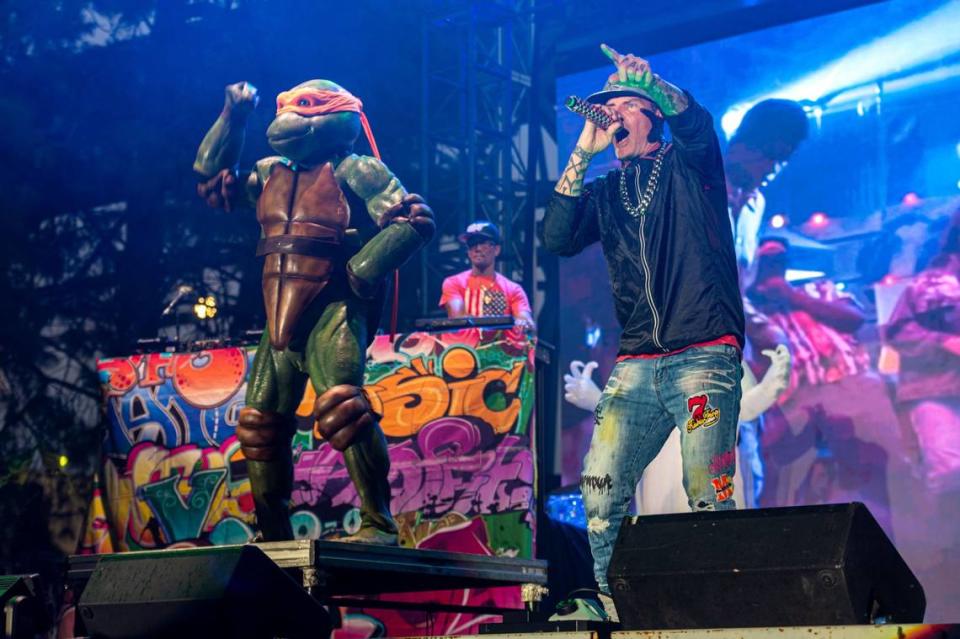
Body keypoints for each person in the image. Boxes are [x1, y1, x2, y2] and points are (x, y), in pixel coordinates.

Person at [543, 44, 745, 618]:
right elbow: (557, 237)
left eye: (625, 105)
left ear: (653, 114)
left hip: (704, 351)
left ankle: (725, 607)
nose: (612, 115)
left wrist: (653, 86)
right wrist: (583, 149)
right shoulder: (608, 191)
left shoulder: (689, 164)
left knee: (706, 488)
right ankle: (613, 600)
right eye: (606, 108)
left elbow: (695, 122)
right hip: (637, 364)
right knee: (600, 486)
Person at [746, 238, 900, 534]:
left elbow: (853, 319)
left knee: (870, 472)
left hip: (849, 385)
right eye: (766, 262)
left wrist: (792, 296)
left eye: (779, 260)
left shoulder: (816, 289)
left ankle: (880, 542)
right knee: (785, 482)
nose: (773, 267)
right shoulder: (751, 310)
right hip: (792, 402)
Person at [724, 99, 809, 270]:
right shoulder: (692, 189)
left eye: (783, 161)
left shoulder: (757, 204)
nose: (773, 168)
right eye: (771, 154)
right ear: (740, 145)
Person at [439, 220, 535, 332]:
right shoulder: (453, 283)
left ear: (496, 249)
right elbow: (458, 320)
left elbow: (526, 322)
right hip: (465, 348)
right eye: (472, 244)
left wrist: (524, 323)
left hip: (501, 349)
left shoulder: (513, 290)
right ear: (468, 252)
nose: (477, 248)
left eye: (483, 243)